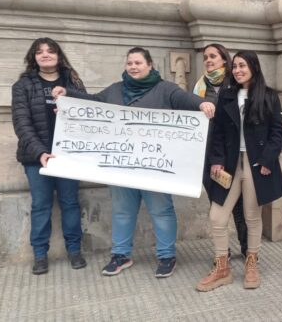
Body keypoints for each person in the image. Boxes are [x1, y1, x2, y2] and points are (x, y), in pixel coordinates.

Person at [52, 47, 215, 278]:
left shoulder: (165, 89)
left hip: (155, 167)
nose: (133, 67)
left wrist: (202, 104)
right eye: (130, 63)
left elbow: (186, 99)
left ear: (150, 65)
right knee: (122, 212)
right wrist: (67, 96)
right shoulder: (115, 90)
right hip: (122, 167)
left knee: (161, 211)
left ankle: (167, 256)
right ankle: (121, 255)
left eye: (138, 62)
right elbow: (92, 102)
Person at [196, 50, 282, 292]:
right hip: (230, 164)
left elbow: (277, 131)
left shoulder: (268, 96)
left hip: (256, 165)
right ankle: (222, 267)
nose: (237, 70)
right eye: (234, 66)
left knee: (251, 216)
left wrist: (268, 160)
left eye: (242, 65)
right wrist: (215, 160)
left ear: (253, 67)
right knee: (217, 216)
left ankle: (252, 262)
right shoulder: (227, 94)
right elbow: (219, 132)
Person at [12, 37, 87, 275]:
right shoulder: (23, 85)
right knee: (41, 206)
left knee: (70, 203)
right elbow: (21, 124)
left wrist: (70, 101)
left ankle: (74, 250)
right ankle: (40, 254)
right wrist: (40, 152)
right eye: (39, 52)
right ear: (33, 57)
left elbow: (90, 111)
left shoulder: (72, 81)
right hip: (37, 158)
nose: (45, 55)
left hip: (68, 156)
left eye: (50, 51)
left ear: (58, 56)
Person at [194, 43, 249, 258]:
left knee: (241, 207)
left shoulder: (235, 84)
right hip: (209, 155)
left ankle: (246, 248)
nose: (208, 60)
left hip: (234, 154)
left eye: (213, 56)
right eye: (205, 57)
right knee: (217, 204)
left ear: (224, 59)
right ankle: (222, 251)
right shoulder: (199, 87)